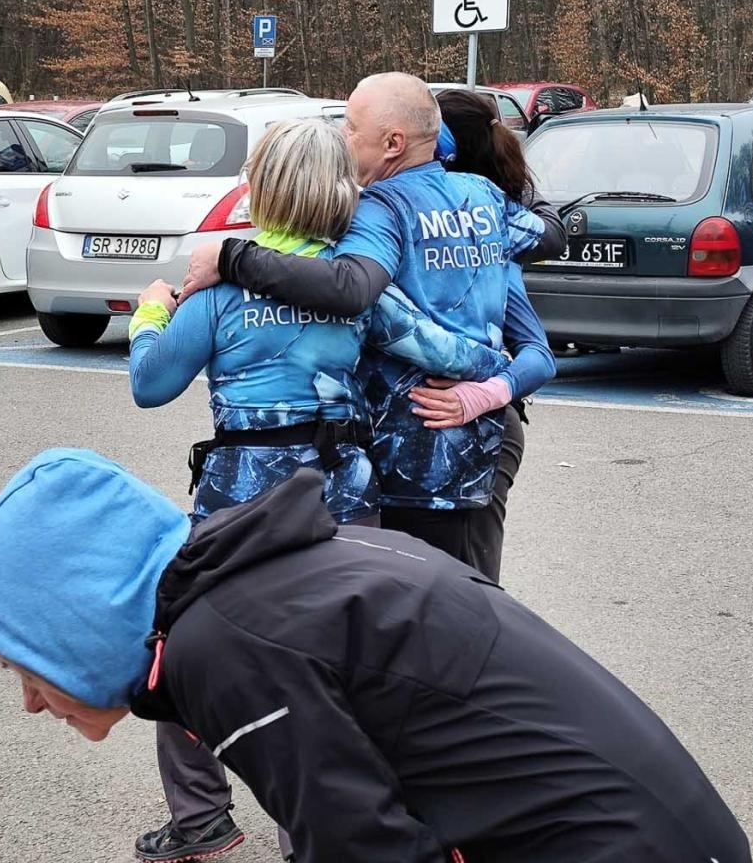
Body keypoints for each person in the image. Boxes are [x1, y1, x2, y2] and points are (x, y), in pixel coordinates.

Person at [0, 451, 753, 863]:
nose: (28, 700)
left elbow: (363, 850)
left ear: (79, 620)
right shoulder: (272, 576)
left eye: (24, 663)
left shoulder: (225, 645)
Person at [126, 118, 513, 862]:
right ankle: (311, 835)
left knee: (186, 650)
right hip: (339, 503)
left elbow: (151, 384)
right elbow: (456, 353)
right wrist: (491, 351)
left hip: (236, 504)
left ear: (260, 188)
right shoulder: (355, 291)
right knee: (333, 668)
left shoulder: (216, 289)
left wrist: (151, 311)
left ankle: (199, 817)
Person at [181, 73, 561, 567]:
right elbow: (550, 236)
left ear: (392, 143)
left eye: (351, 128)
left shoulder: (381, 207)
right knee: (463, 603)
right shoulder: (481, 195)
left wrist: (233, 258)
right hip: (476, 444)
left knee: (432, 612)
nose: (343, 138)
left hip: (420, 450)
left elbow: (351, 289)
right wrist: (494, 385)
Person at [423, 87, 558, 581]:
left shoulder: (487, 234)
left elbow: (538, 353)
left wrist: (482, 395)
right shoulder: (387, 222)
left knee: (472, 588)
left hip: (483, 432)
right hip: (412, 445)